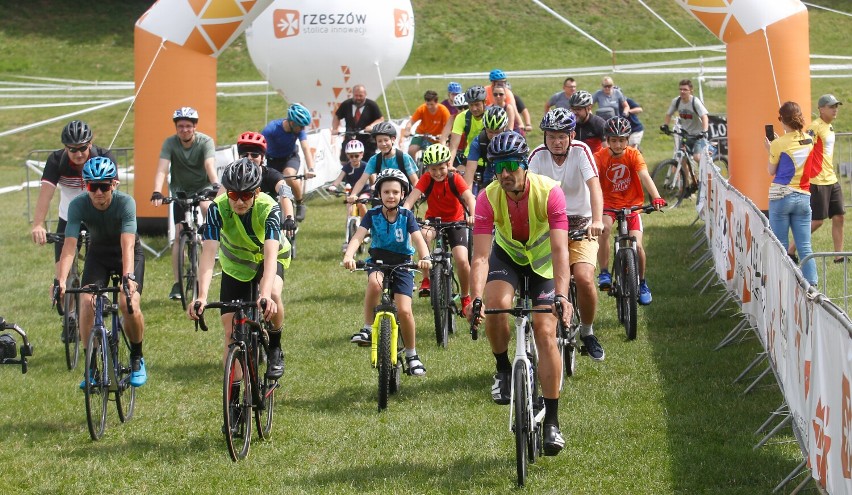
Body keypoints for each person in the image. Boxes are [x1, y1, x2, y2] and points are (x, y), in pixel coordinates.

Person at [464, 131, 573, 456]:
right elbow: (480, 257)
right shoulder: (487, 197)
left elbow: (559, 251)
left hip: (543, 264)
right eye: (499, 166)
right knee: (495, 305)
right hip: (508, 257)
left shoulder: (549, 193)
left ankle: (552, 421)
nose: (506, 173)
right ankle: (502, 369)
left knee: (544, 329)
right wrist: (474, 299)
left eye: (512, 164)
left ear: (525, 163)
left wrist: (563, 296)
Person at [189, 159, 291, 391]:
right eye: (234, 194)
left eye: (246, 195)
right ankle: (233, 396)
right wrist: (201, 296)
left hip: (269, 258)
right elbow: (208, 252)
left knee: (273, 293)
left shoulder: (269, 208)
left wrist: (264, 294)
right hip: (238, 265)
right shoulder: (218, 208)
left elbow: (271, 253)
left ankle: (275, 346)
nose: (239, 201)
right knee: (230, 333)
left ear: (257, 191)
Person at [57, 157, 147, 389]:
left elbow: (127, 245)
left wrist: (128, 278)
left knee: (129, 303)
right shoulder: (77, 205)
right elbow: (69, 246)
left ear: (114, 185)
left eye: (104, 186)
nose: (98, 192)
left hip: (126, 254)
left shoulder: (126, 203)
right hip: (98, 254)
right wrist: (61, 280)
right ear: (85, 186)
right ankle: (92, 366)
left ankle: (137, 356)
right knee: (86, 302)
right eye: (92, 186)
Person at [529, 108, 605, 361]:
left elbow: (594, 186)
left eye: (562, 136)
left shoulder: (582, 151)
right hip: (549, 224)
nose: (557, 142)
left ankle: (587, 331)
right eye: (551, 136)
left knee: (583, 277)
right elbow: (528, 191)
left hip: (582, 222)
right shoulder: (537, 157)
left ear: (571, 135)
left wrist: (596, 220)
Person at [343, 169, 432, 377]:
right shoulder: (373, 214)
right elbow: (358, 237)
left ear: (402, 195)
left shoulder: (407, 216)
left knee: (405, 310)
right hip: (378, 262)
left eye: (395, 192)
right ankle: (367, 327)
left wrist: (425, 258)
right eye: (386, 192)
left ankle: (412, 354)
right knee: (374, 284)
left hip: (403, 265)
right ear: (379, 194)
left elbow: (418, 239)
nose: (390, 196)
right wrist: (349, 256)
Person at [31, 121, 116, 317]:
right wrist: (38, 224)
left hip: (98, 219)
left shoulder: (104, 157)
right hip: (68, 218)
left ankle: (97, 305)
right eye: (73, 149)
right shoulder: (56, 161)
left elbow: (113, 194)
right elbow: (46, 194)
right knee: (62, 274)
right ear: (64, 147)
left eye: (83, 148)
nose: (79, 154)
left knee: (97, 270)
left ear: (91, 143)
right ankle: (69, 318)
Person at [594, 117, 666, 305]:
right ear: (608, 140)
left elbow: (644, 176)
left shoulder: (634, 155)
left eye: (622, 140)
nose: (618, 144)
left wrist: (656, 197)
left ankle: (642, 282)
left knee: (638, 246)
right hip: (608, 204)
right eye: (614, 140)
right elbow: (592, 182)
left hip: (632, 205)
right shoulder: (599, 157)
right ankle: (604, 272)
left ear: (627, 139)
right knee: (604, 229)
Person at [151, 107, 219, 301]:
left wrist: (215, 184)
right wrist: (157, 191)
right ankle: (176, 283)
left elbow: (209, 165)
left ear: (195, 127)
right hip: (180, 191)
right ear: (176, 128)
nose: (184, 130)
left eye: (188, 126)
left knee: (206, 207)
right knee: (179, 235)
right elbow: (162, 169)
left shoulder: (205, 141)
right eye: (180, 126)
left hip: (203, 187)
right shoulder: (170, 143)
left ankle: (210, 241)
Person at [402, 144, 476, 306]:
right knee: (424, 236)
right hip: (433, 221)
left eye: (441, 168)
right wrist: (404, 213)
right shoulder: (426, 179)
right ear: (427, 168)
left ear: (448, 164)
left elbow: (470, 198)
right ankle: (427, 278)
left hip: (457, 221)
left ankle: (465, 297)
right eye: (432, 169)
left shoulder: (454, 178)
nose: (437, 173)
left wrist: (472, 214)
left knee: (462, 260)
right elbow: (410, 199)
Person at [764, 101, 817, 285]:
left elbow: (771, 170)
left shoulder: (778, 143)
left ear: (782, 120)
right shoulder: (809, 139)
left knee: (780, 245)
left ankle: (782, 285)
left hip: (781, 196)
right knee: (804, 246)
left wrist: (770, 149)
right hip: (803, 197)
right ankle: (813, 285)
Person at [798, 94, 845, 263]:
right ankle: (790, 249)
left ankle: (839, 256)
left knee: (839, 216)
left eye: (836, 106)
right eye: (831, 106)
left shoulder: (829, 127)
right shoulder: (815, 127)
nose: (835, 109)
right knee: (817, 221)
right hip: (818, 180)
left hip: (831, 179)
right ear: (821, 109)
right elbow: (804, 145)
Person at [261, 103, 316, 222]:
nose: (302, 129)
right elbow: (261, 149)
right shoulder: (271, 129)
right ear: (291, 122)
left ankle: (300, 203)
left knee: (289, 175)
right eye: (300, 126)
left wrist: (311, 169)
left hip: (290, 158)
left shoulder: (298, 130)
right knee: (271, 193)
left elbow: (306, 148)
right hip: (273, 161)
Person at [235, 132, 297, 238]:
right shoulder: (233, 175)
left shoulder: (272, 175)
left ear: (262, 157)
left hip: (268, 222)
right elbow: (219, 198)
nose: (249, 158)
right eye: (245, 155)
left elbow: (285, 194)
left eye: (254, 154)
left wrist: (289, 217)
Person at [346, 122, 419, 204]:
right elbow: (362, 180)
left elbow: (415, 180)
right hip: (383, 200)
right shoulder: (374, 160)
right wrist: (353, 194)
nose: (383, 144)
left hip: (403, 199)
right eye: (379, 141)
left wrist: (418, 194)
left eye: (386, 140)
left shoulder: (403, 157)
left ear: (393, 139)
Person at [662, 79, 710, 165]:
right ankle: (687, 178)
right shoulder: (676, 101)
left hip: (699, 136)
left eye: (685, 89)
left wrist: (704, 131)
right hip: (685, 135)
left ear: (691, 91)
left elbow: (704, 117)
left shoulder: (695, 102)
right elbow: (668, 114)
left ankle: (705, 176)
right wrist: (665, 125)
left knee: (697, 157)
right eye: (680, 89)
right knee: (681, 158)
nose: (682, 91)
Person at [332, 84, 384, 162]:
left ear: (365, 95)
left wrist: (371, 126)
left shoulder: (371, 105)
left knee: (369, 161)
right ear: (352, 94)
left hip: (367, 140)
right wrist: (335, 129)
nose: (358, 98)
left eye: (361, 96)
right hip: (350, 137)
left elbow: (381, 119)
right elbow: (337, 116)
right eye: (356, 95)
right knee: (344, 160)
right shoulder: (346, 104)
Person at [463, 105, 509, 191]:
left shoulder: (513, 141)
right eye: (490, 132)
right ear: (485, 128)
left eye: (497, 132)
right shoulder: (479, 141)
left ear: (504, 128)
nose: (494, 136)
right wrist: (468, 196)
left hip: (510, 176)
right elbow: (469, 172)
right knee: (481, 195)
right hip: (490, 177)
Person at [327, 139, 373, 219]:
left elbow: (373, 178)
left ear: (361, 154)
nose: (354, 158)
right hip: (350, 192)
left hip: (364, 191)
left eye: (356, 156)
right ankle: (348, 230)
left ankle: (366, 224)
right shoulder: (347, 167)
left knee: (360, 204)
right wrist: (334, 186)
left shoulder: (365, 166)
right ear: (347, 155)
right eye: (351, 156)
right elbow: (339, 178)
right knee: (349, 211)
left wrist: (374, 186)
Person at [400, 90, 451, 160]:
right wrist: (407, 130)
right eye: (427, 104)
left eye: (431, 104)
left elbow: (449, 126)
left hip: (437, 137)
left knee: (439, 155)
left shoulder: (443, 111)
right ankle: (414, 168)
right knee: (411, 150)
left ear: (436, 102)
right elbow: (411, 121)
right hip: (421, 133)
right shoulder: (422, 109)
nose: (429, 107)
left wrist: (444, 135)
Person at [447, 86, 488, 167]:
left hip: (490, 158)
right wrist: (450, 164)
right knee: (456, 177)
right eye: (471, 105)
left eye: (477, 104)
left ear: (484, 102)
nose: (474, 108)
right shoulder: (462, 117)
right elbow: (453, 147)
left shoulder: (492, 115)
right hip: (471, 158)